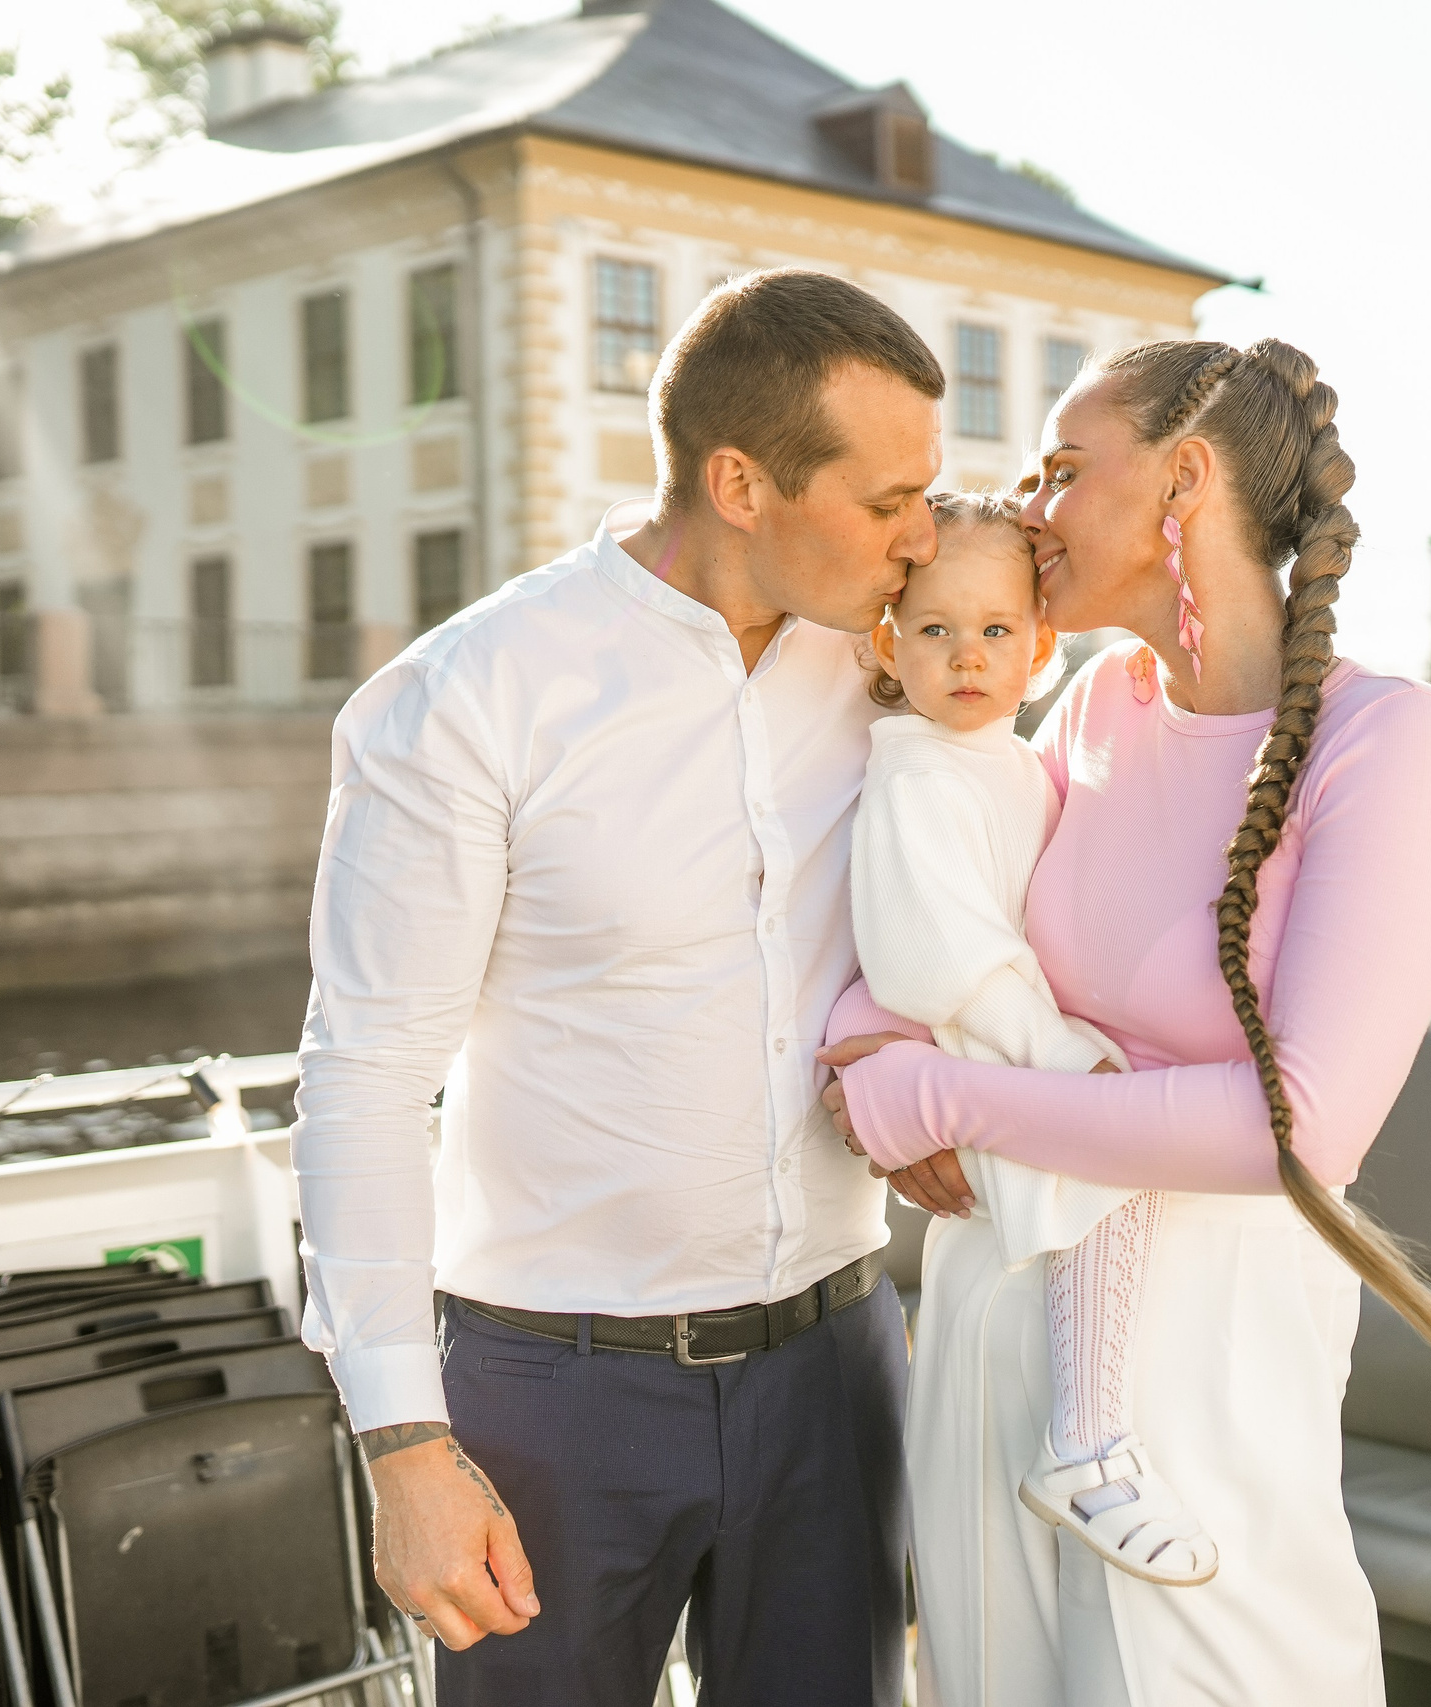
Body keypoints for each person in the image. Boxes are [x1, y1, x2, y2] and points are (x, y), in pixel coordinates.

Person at [290, 268, 943, 1707]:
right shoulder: (467, 696)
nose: (924, 536)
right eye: (891, 498)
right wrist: (404, 1443)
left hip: (840, 1365)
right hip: (554, 1396)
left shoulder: (899, 661)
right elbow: (366, 1076)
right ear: (741, 481)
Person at [821, 337, 1431, 1705]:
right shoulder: (1095, 708)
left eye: (1066, 471)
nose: (1027, 509)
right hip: (988, 1307)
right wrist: (861, 1043)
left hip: (1204, 1382)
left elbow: (1291, 1126)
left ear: (1184, 478)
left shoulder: (1390, 741)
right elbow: (949, 909)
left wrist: (943, 1100)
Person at [848, 492, 1219, 1596]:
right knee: (1112, 1182)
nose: (968, 656)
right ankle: (1086, 1443)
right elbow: (940, 951)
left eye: (996, 631)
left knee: (1116, 1204)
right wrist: (1054, 1054)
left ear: (1042, 648)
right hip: (989, 1053)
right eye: (936, 630)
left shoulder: (1011, 761)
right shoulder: (914, 773)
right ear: (890, 642)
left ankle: (1090, 1431)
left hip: (1025, 1046)